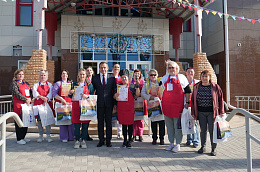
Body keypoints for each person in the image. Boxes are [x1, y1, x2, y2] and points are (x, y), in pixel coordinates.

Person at [191, 70, 225, 156]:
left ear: (209, 77)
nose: (204, 78)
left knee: (212, 130)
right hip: (201, 112)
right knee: (203, 130)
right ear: (200, 77)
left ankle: (214, 148)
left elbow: (221, 99)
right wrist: (193, 112)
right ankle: (203, 146)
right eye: (203, 76)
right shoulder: (196, 87)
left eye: (206, 76)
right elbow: (193, 100)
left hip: (212, 113)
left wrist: (222, 111)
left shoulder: (215, 87)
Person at [160, 61, 191, 153]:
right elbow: (158, 90)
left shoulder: (182, 78)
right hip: (166, 106)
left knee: (177, 126)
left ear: (177, 69)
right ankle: (171, 143)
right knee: (169, 126)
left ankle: (178, 143)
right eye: (169, 68)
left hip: (178, 106)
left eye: (173, 68)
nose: (171, 69)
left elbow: (188, 91)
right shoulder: (164, 78)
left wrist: (187, 102)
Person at [92, 62, 117, 147]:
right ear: (99, 68)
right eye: (101, 68)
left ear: (107, 68)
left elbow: (115, 89)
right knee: (100, 123)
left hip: (109, 103)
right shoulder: (94, 78)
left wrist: (115, 103)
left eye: (105, 67)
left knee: (109, 123)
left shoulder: (112, 77)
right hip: (99, 104)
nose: (103, 69)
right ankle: (101, 140)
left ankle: (109, 140)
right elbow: (92, 90)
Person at [114, 69, 140, 148]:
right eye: (122, 77)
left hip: (130, 109)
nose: (124, 79)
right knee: (124, 125)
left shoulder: (132, 86)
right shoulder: (118, 86)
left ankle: (130, 140)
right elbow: (114, 97)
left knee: (130, 125)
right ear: (120, 78)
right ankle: (124, 140)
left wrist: (138, 85)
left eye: (125, 77)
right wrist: (116, 95)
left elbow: (137, 95)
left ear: (128, 78)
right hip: (122, 109)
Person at [69, 68, 94, 149]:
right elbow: (70, 96)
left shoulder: (89, 85)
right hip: (76, 107)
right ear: (78, 76)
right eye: (80, 74)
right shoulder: (74, 84)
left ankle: (83, 140)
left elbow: (92, 96)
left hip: (85, 107)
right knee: (76, 125)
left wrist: (87, 96)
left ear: (86, 75)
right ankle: (77, 140)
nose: (82, 76)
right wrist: (70, 93)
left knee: (85, 125)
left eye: (83, 74)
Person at [141, 69, 165, 145]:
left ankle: (162, 138)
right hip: (152, 105)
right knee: (153, 123)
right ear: (149, 76)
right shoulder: (146, 84)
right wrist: (149, 97)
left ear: (157, 75)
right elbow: (142, 94)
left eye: (154, 75)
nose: (153, 76)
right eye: (151, 75)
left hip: (160, 104)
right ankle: (154, 138)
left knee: (161, 123)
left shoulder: (161, 82)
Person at [9, 69, 32, 145]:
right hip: (18, 105)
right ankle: (19, 138)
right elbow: (16, 93)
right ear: (16, 75)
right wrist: (25, 99)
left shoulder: (26, 84)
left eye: (22, 74)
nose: (21, 75)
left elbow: (30, 93)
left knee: (26, 120)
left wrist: (30, 99)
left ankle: (23, 136)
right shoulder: (14, 83)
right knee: (19, 121)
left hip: (26, 104)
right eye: (19, 74)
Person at [52, 69, 74, 143]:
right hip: (61, 104)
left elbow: (74, 94)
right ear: (61, 75)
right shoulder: (58, 84)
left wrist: (72, 92)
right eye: (63, 74)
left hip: (69, 104)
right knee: (63, 121)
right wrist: (61, 99)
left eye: (66, 74)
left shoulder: (71, 83)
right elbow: (54, 94)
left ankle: (71, 137)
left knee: (70, 121)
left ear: (68, 76)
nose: (64, 75)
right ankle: (64, 137)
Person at [33, 70, 54, 143]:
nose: (43, 77)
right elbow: (35, 93)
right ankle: (40, 135)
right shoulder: (36, 85)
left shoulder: (50, 85)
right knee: (39, 121)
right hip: (39, 105)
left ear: (47, 77)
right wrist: (42, 97)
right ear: (39, 76)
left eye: (44, 75)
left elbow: (51, 93)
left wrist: (47, 98)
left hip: (47, 104)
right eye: (41, 75)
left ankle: (48, 135)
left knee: (48, 120)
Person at [185, 67, 200, 148]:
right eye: (188, 72)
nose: (190, 73)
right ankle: (189, 139)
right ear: (186, 73)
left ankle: (195, 141)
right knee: (187, 122)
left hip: (194, 105)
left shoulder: (197, 82)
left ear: (194, 73)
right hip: (186, 105)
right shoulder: (184, 82)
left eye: (191, 72)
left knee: (195, 124)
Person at [131, 69, 146, 142]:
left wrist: (139, 95)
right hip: (132, 102)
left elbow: (144, 91)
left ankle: (140, 135)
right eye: (135, 73)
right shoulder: (130, 82)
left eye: (138, 73)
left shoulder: (142, 82)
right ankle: (133, 135)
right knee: (133, 120)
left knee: (140, 120)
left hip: (140, 102)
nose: (136, 75)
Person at [112, 63, 123, 139]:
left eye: (118, 67)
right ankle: (109, 132)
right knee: (111, 116)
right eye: (115, 67)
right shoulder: (110, 77)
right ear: (112, 68)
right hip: (111, 98)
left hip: (120, 99)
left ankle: (119, 133)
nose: (116, 68)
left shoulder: (121, 78)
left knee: (120, 117)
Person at [85, 66, 95, 141]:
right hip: (87, 101)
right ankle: (85, 134)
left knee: (91, 117)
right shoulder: (85, 80)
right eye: (87, 70)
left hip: (94, 100)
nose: (89, 72)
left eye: (90, 70)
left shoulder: (95, 79)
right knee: (86, 118)